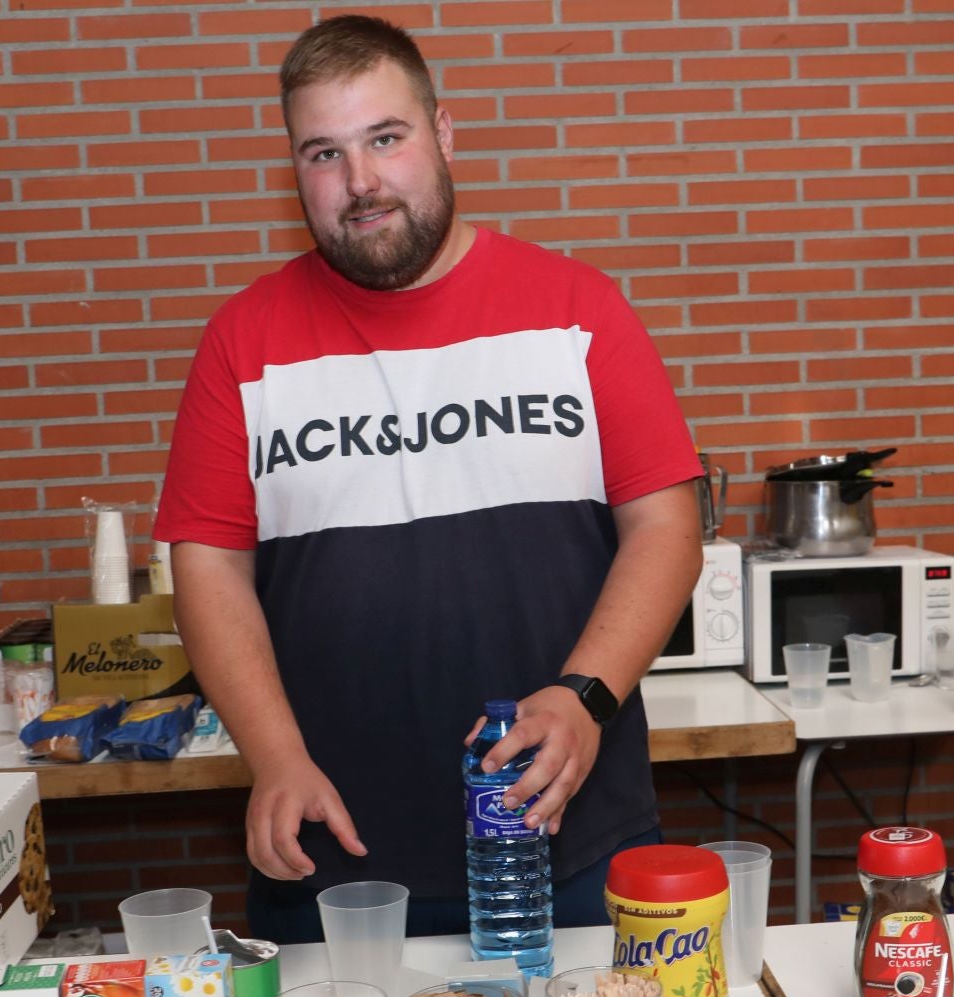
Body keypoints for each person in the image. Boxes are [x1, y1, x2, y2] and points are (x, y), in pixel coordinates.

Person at [153, 15, 704, 944]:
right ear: (295, 171)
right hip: (334, 863)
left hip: (562, 839)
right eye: (324, 153)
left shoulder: (578, 310)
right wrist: (274, 756)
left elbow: (668, 528)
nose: (359, 181)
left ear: (444, 133)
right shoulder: (242, 342)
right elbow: (207, 567)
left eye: (385, 138)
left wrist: (586, 697)